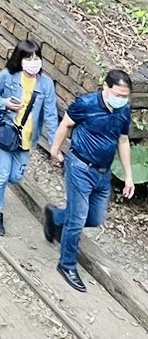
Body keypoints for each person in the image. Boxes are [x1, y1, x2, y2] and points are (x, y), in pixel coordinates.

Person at [43, 68, 136, 292]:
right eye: (118, 94)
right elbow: (66, 124)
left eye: (125, 96)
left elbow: (123, 141)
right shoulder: (86, 104)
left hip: (103, 173)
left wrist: (129, 177)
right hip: (80, 167)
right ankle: (66, 264)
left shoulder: (124, 111)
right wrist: (55, 150)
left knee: (94, 218)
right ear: (106, 87)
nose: (122, 99)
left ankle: (55, 217)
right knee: (77, 220)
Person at [0, 39, 59, 235]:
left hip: (27, 138)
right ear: (20, 59)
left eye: (36, 58)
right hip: (5, 132)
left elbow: (51, 115)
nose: (33, 62)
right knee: (2, 175)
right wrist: (5, 103)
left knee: (15, 176)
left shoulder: (46, 84)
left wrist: (55, 146)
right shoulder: (8, 76)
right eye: (28, 58)